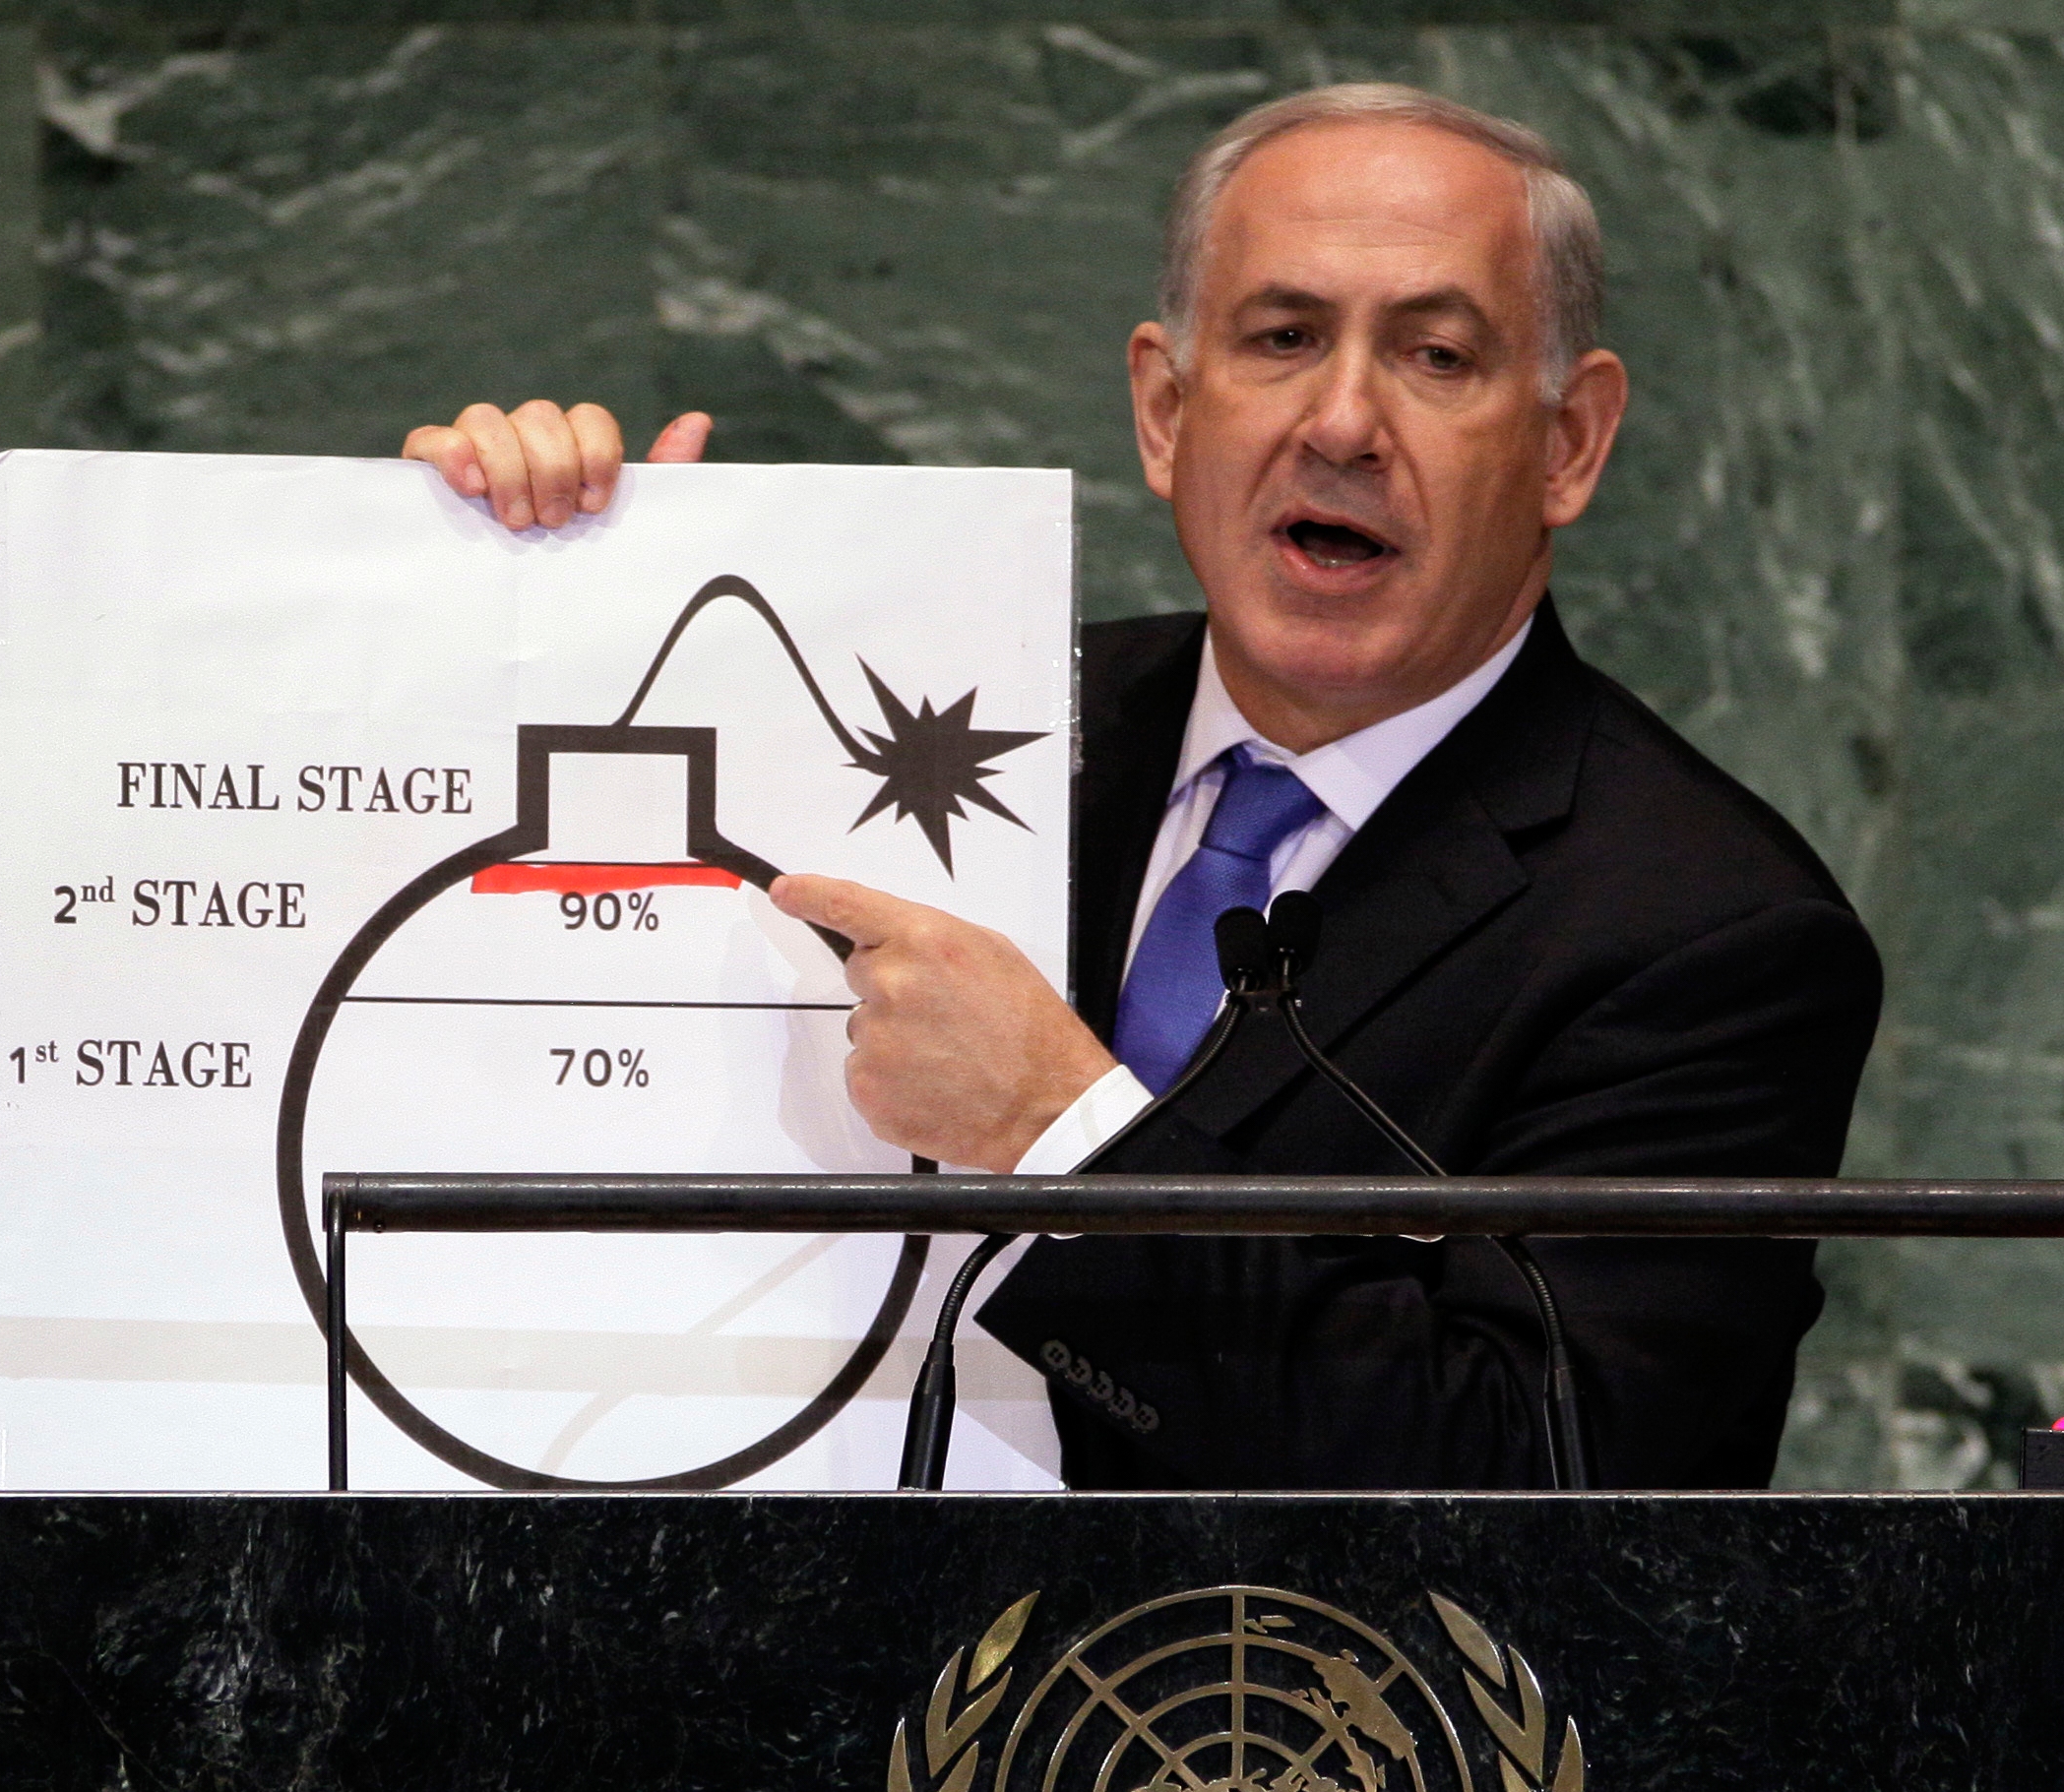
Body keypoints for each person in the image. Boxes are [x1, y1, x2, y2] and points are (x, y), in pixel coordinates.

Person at [401, 84, 1882, 1491]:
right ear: (1167, 410)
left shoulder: (1709, 934)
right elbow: (545, 1015)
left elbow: (1560, 1490)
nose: (1343, 422)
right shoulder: (977, 724)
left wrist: (1066, 1141)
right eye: (1283, 336)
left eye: (1436, 356)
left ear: (1568, 442)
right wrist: (541, 597)